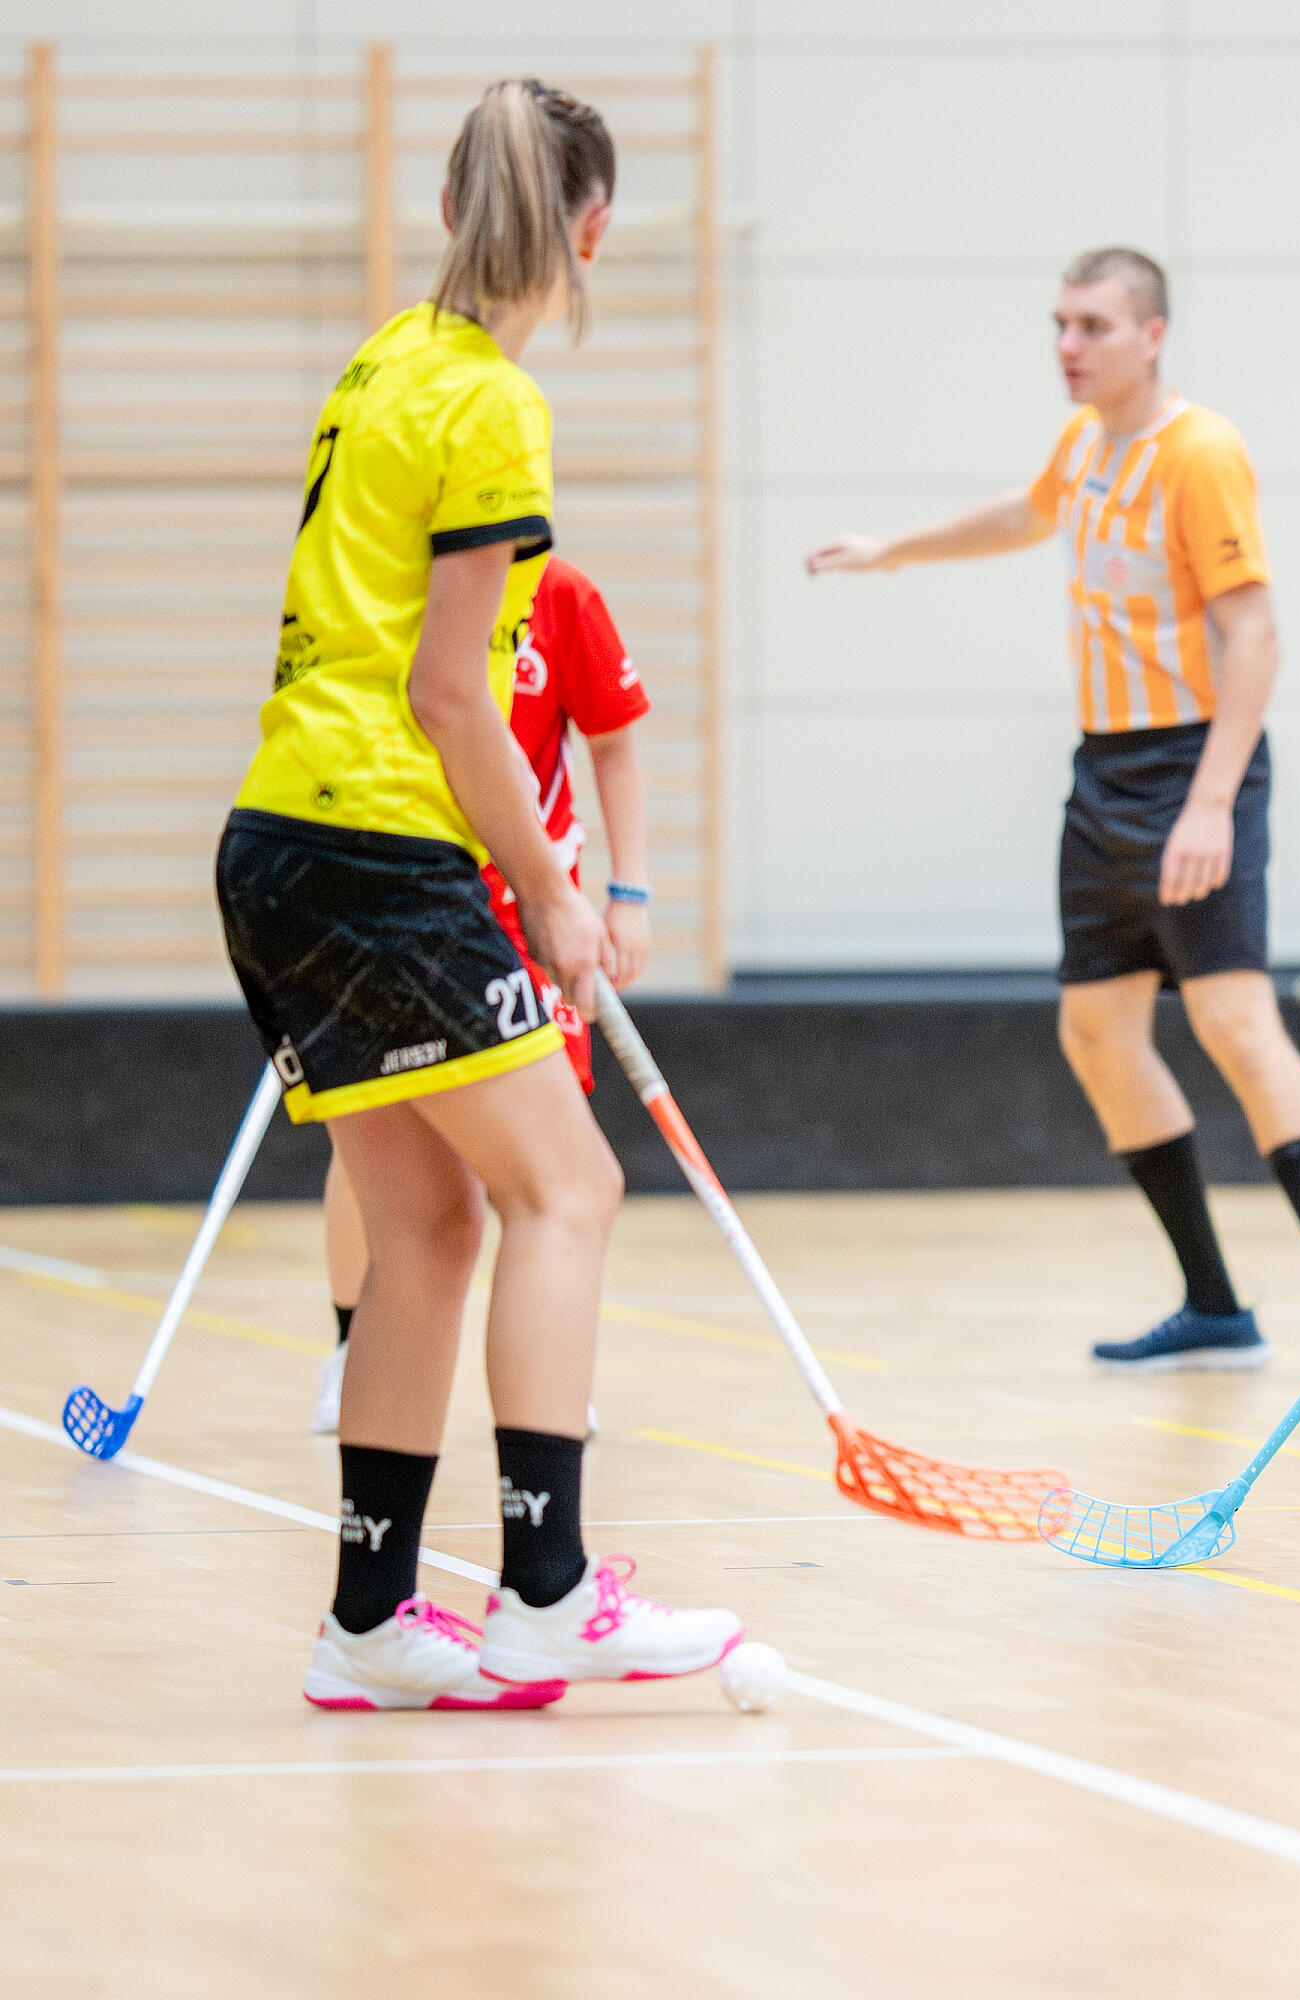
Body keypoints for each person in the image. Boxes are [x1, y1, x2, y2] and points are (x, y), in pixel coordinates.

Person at [218, 78, 738, 1709]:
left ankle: (368, 1624)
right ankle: (548, 1593)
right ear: (593, 231)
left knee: (428, 1230)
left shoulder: (383, 360)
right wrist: (557, 895)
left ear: (448, 208)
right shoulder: (496, 404)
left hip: (277, 848)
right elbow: (453, 695)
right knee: (569, 1192)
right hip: (383, 849)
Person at [806, 248, 1300, 1376]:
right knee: (1095, 1030)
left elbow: (1256, 637)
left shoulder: (1199, 451)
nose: (1069, 346)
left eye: (1094, 326)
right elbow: (1027, 514)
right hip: (1105, 774)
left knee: (1234, 1023)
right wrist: (892, 553)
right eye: (1060, 324)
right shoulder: (1083, 444)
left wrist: (1211, 804)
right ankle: (1214, 1306)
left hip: (1193, 765)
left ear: (1152, 335)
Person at [313, 554, 652, 1435]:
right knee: (378, 1141)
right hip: (412, 904)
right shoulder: (394, 589)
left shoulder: (564, 596)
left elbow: (613, 742)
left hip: (534, 916)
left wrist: (629, 894)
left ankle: (550, 1366)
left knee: (553, 1160)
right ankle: (353, 1348)